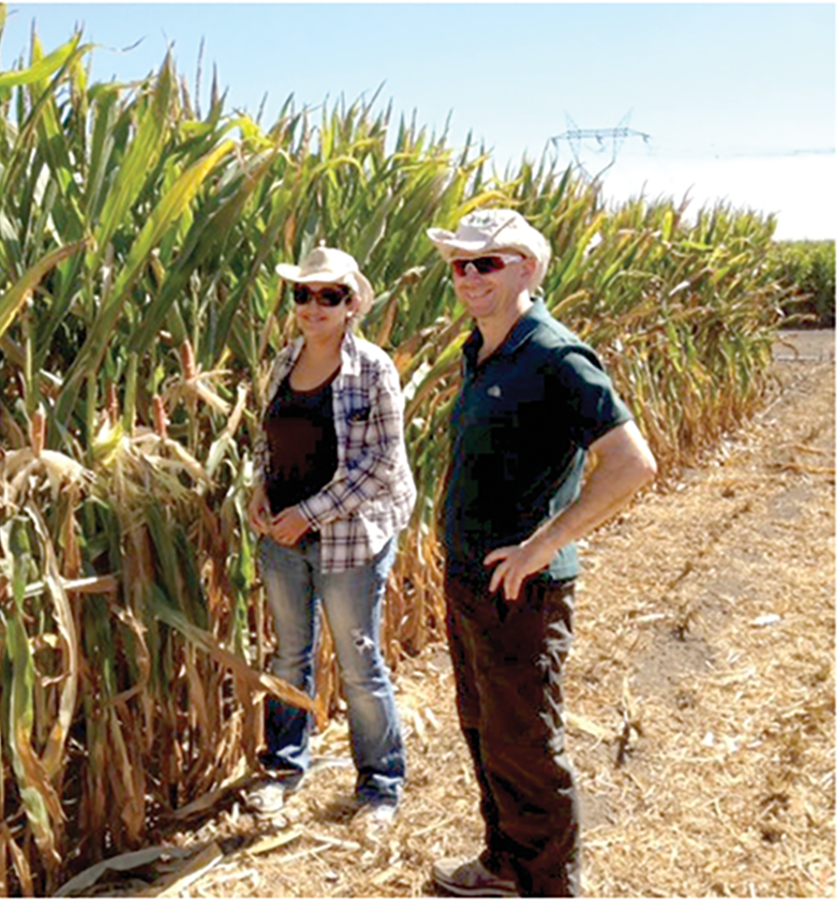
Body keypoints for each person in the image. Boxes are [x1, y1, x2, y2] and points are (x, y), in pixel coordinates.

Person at [426, 210, 658, 896]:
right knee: (483, 730)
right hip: (469, 579)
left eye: (487, 262)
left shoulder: (556, 355)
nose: (469, 275)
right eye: (460, 264)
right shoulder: (483, 347)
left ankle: (551, 885)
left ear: (528, 268)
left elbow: (631, 463)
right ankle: (504, 864)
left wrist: (542, 543)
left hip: (523, 592)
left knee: (526, 744)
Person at [245, 243, 416, 827]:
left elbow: (383, 465)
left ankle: (380, 786)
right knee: (288, 654)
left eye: (329, 296)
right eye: (304, 294)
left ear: (352, 305)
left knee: (358, 658)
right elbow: (266, 438)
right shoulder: (283, 361)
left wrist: (309, 514)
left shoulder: (373, 370)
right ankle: (284, 768)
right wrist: (259, 490)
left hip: (351, 536)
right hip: (283, 534)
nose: (314, 305)